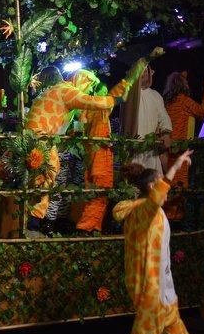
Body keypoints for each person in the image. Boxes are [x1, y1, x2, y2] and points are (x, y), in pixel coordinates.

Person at [114, 149, 204, 334]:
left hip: (160, 283)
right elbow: (157, 197)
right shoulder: (144, 210)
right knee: (146, 331)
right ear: (153, 186)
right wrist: (175, 168)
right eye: (162, 185)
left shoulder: (150, 210)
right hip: (149, 285)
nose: (167, 191)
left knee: (174, 325)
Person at [25, 57, 147, 236]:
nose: (90, 92)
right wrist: (116, 98)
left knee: (48, 174)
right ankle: (34, 220)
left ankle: (35, 219)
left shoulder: (62, 92)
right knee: (49, 173)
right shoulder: (68, 91)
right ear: (83, 81)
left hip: (41, 137)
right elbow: (96, 102)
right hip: (40, 137)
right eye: (90, 87)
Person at [73, 70, 119, 234]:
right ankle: (85, 228)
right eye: (103, 92)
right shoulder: (100, 108)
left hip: (91, 157)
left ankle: (93, 228)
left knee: (95, 193)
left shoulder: (86, 111)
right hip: (100, 157)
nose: (106, 96)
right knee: (100, 193)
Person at [163, 71, 204, 188]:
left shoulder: (167, 102)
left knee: (170, 185)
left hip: (169, 149)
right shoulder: (183, 100)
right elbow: (203, 112)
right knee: (179, 186)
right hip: (179, 150)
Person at [122, 59, 172, 174]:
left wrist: (166, 133)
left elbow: (163, 116)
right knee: (133, 181)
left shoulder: (155, 95)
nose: (144, 74)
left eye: (146, 71)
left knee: (151, 182)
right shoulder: (128, 94)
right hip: (132, 147)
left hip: (150, 148)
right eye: (141, 71)